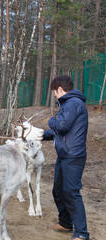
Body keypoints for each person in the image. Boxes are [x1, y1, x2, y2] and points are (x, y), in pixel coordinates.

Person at [43, 75, 89, 240]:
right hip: (65, 155)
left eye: (55, 92)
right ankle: (65, 223)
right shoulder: (69, 104)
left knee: (71, 192)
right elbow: (62, 131)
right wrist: (42, 134)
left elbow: (61, 125)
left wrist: (50, 120)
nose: (54, 95)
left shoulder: (73, 104)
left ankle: (82, 233)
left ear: (59, 89)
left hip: (73, 156)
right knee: (58, 190)